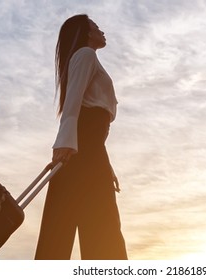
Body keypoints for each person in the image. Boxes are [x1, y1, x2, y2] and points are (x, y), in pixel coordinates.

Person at [34, 14, 128, 260]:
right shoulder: (86, 54)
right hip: (82, 145)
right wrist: (63, 145)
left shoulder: (88, 57)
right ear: (86, 33)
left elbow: (89, 123)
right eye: (96, 26)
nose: (102, 30)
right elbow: (72, 102)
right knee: (97, 223)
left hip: (90, 145)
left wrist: (105, 165)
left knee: (90, 221)